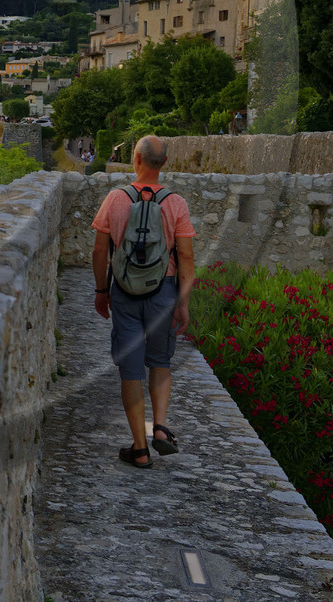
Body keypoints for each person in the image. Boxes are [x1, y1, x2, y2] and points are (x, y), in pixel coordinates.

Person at [91, 134, 196, 467]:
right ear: (164, 163)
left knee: (131, 371)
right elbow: (186, 256)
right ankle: (160, 427)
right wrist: (182, 302)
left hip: (124, 292)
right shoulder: (175, 203)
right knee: (160, 361)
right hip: (163, 290)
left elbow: (100, 250)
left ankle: (139, 449)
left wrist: (102, 291)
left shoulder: (115, 198)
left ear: (135, 158)